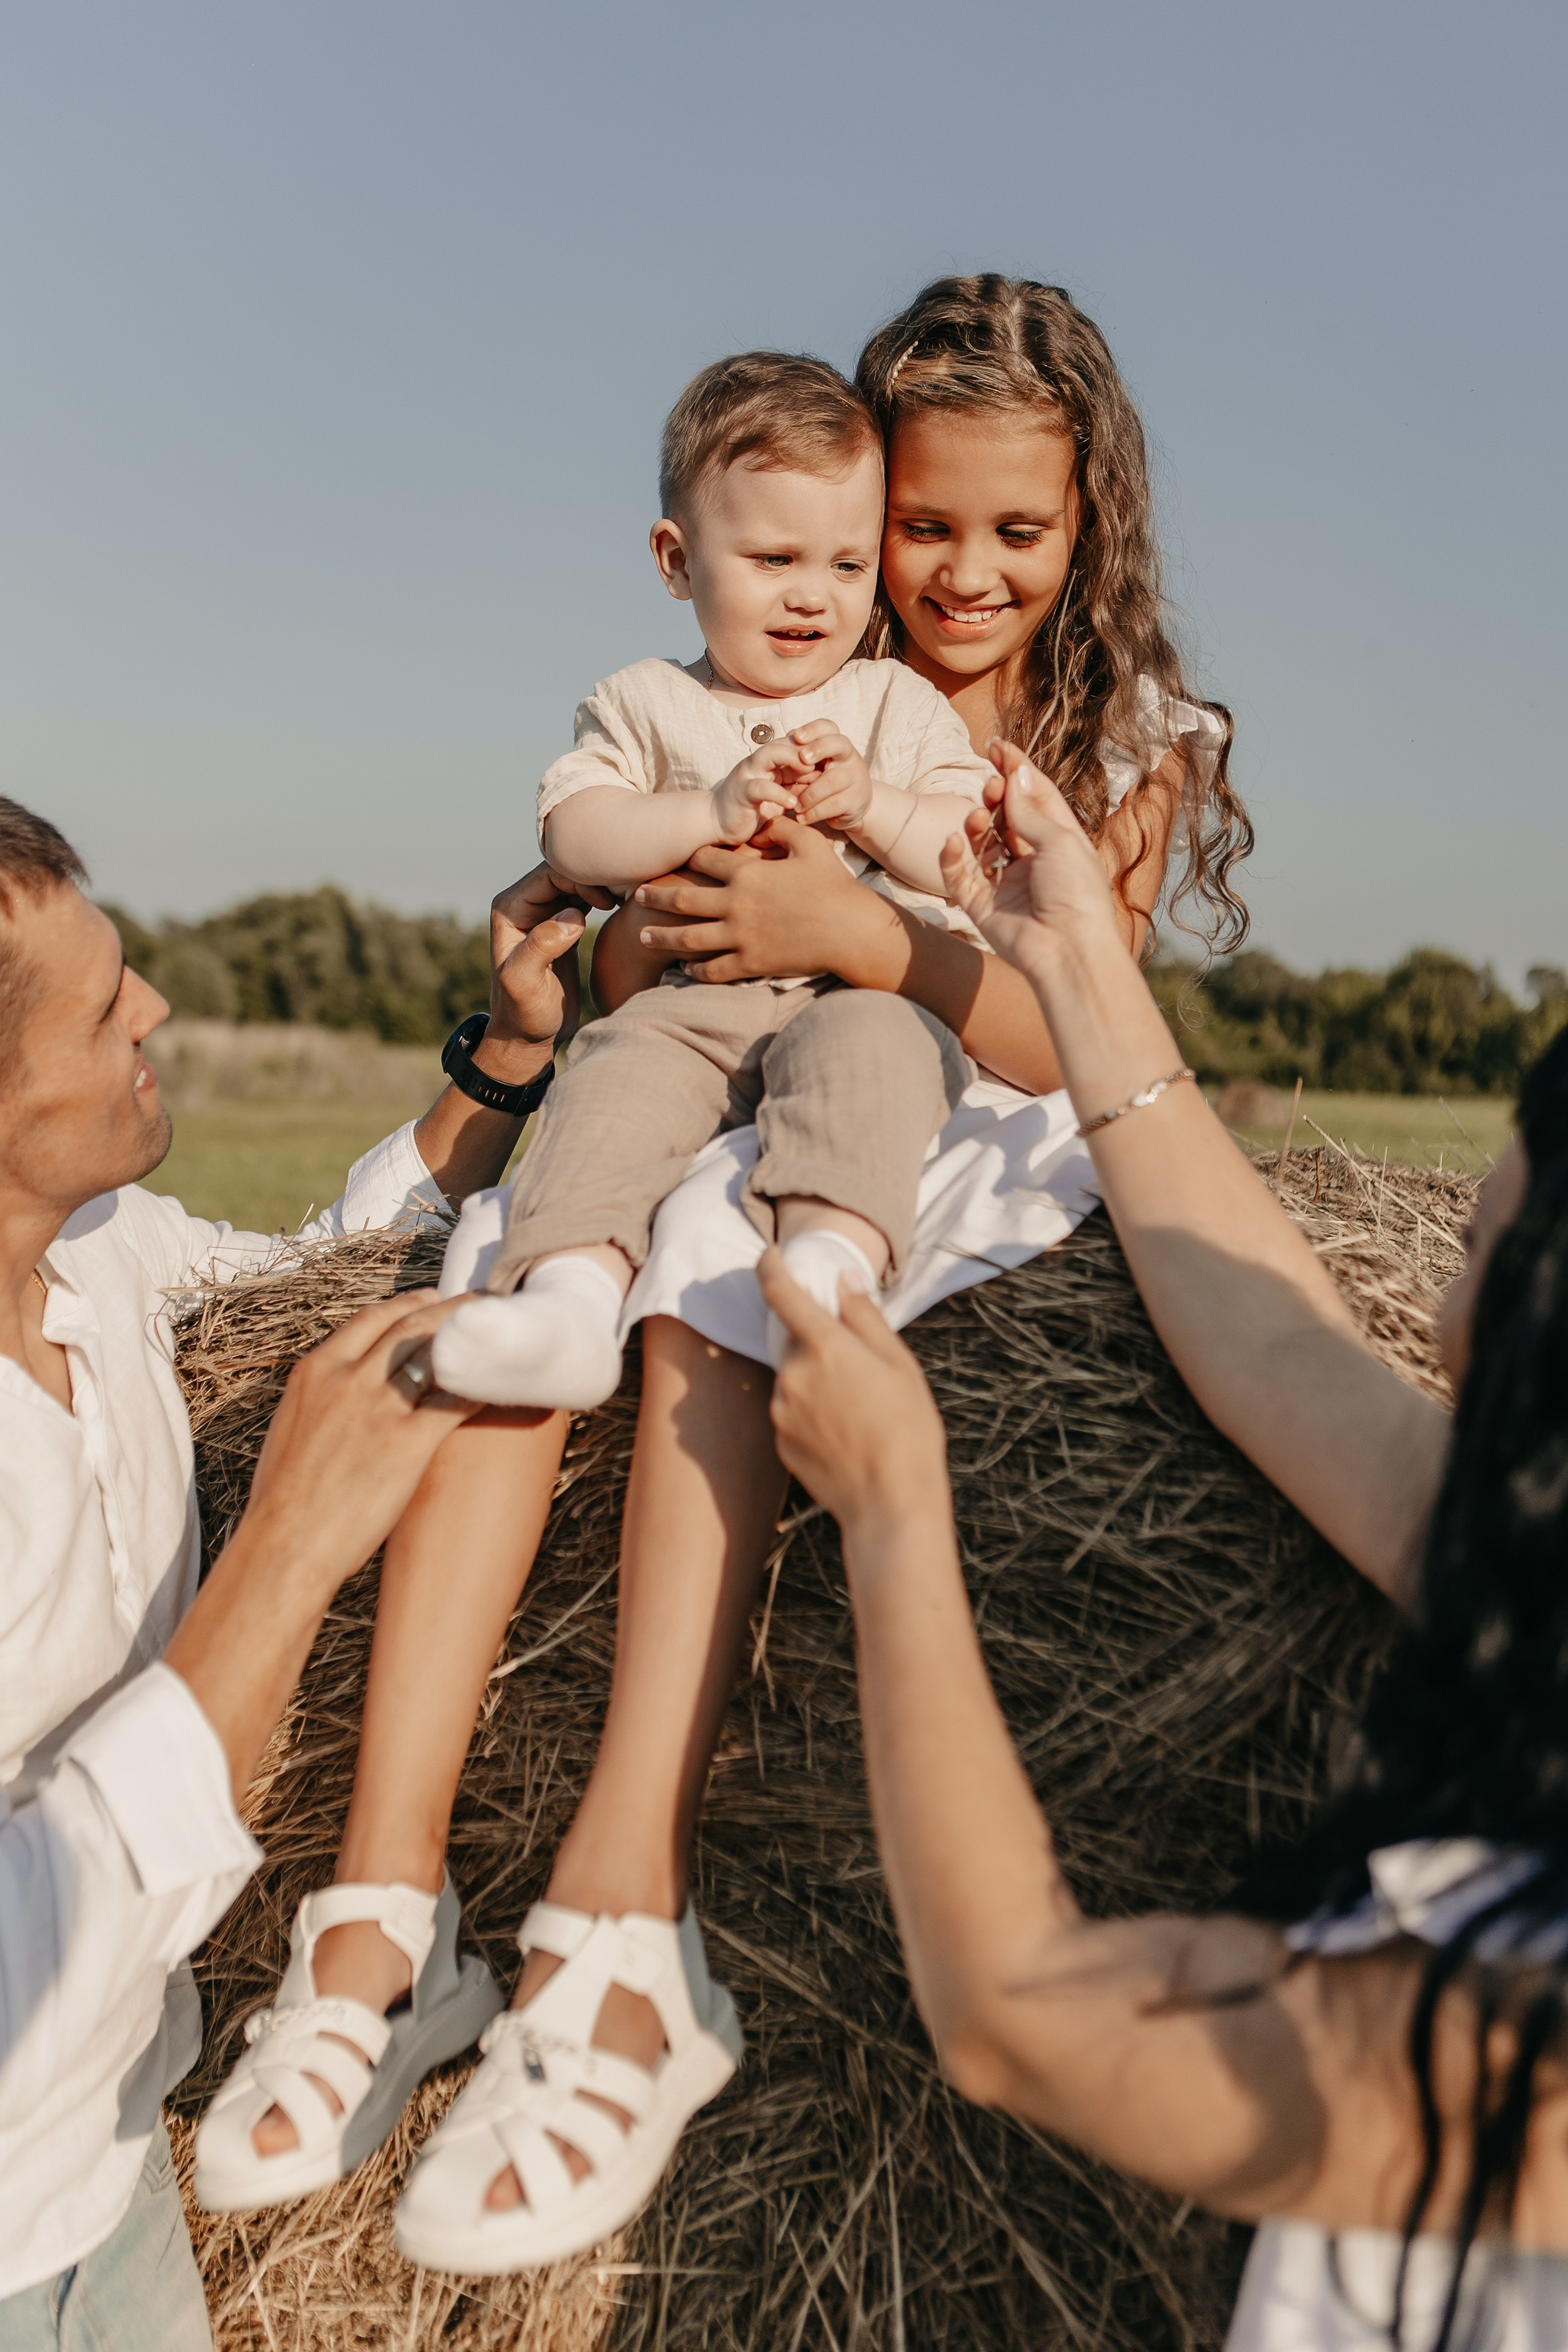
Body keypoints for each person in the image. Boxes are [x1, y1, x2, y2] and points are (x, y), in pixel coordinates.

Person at [197, 274, 1253, 2275]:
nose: (949, 573)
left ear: (1087, 530)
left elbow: (1073, 1030)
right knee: (529, 1277)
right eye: (911, 526)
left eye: (1008, 535)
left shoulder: (1125, 738)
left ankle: (623, 1910)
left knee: (715, 1258)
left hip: (965, 1109)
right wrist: (636, 946)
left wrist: (853, 936)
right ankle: (381, 1895)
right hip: (723, 1055)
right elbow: (623, 946)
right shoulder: (766, 688)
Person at [760, 748, 1567, 2352]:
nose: (1430, 1297)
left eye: (1480, 1247)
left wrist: (897, 1511)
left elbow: (1020, 2015)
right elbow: (1281, 1355)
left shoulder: (1526, 2060)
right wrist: (1066, 959)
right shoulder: (1534, 1605)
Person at [0, 794, 592, 2345]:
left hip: (114, 2170)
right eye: (101, 1005)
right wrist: (284, 1544)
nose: (158, 1006)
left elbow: (315, 1276)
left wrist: (510, 1057)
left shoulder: (95, 1248)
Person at [429, 348, 995, 1413]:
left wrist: (873, 805)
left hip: (862, 989)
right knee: (612, 1077)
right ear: (676, 560)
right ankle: (566, 1299)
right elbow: (575, 835)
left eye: (844, 564)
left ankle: (827, 1263)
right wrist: (707, 811)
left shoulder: (893, 706)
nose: (811, 597)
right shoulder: (644, 704)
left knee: (876, 1056)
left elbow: (966, 857)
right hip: (689, 1004)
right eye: (773, 558)